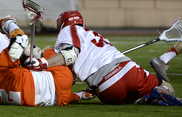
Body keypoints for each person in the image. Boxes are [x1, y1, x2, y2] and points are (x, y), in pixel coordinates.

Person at [24, 10, 182, 106]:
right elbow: (71, 56)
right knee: (169, 89)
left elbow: (70, 60)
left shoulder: (69, 30)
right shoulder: (94, 35)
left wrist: (43, 63)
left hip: (106, 92)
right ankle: (150, 96)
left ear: (62, 24)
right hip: (127, 71)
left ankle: (142, 100)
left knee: (126, 97)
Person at [0, 31, 95, 106]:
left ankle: (78, 96)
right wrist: (10, 25)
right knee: (48, 50)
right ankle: (74, 65)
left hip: (58, 100)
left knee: (36, 87)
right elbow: (20, 40)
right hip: (61, 78)